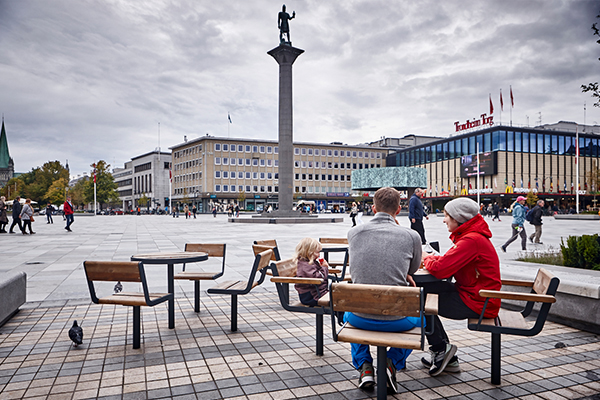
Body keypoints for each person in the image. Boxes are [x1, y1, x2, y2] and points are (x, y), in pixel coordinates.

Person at [347, 187, 422, 392]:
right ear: (399, 210)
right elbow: (413, 269)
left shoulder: (353, 233)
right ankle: (391, 361)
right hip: (398, 319)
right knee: (423, 317)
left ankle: (365, 367)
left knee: (349, 311)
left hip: (359, 318)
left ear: (373, 208)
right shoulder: (411, 235)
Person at [421, 197, 501, 376]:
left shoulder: (471, 240)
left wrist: (425, 257)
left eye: (446, 216)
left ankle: (441, 351)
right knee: (426, 293)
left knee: (420, 300)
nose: (443, 220)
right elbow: (446, 262)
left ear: (457, 218)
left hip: (479, 302)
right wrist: (431, 259)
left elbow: (441, 270)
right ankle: (446, 355)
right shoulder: (470, 237)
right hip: (477, 295)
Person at [293, 237, 330, 306]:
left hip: (317, 292)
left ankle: (342, 316)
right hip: (311, 296)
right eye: (317, 252)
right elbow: (318, 278)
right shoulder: (305, 265)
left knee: (340, 300)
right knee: (338, 303)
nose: (319, 255)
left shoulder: (307, 263)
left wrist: (321, 267)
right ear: (310, 252)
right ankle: (342, 316)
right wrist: (324, 267)